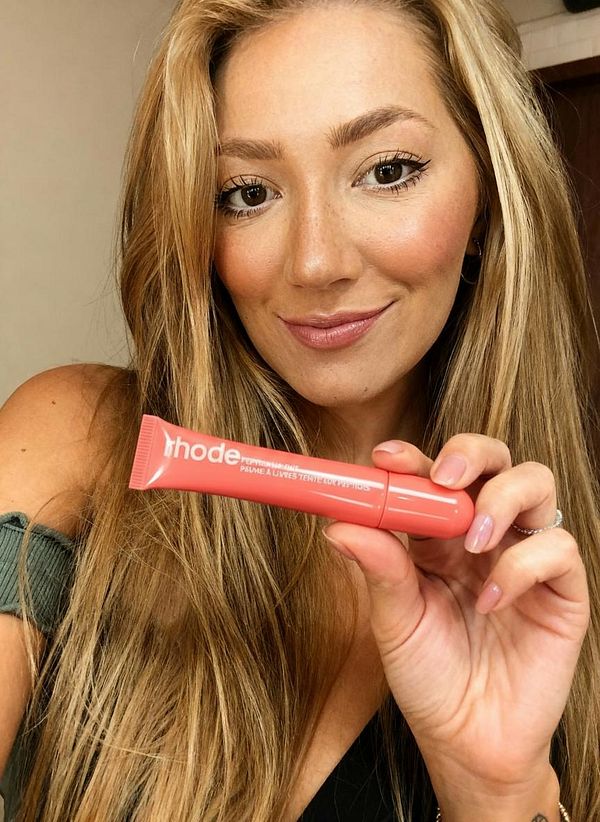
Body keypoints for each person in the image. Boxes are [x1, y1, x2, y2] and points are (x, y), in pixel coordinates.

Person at [1, 0, 599, 819]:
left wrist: (496, 791)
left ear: (488, 198)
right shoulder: (73, 441)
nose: (315, 261)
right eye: (247, 192)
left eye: (387, 171)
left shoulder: (557, 586)